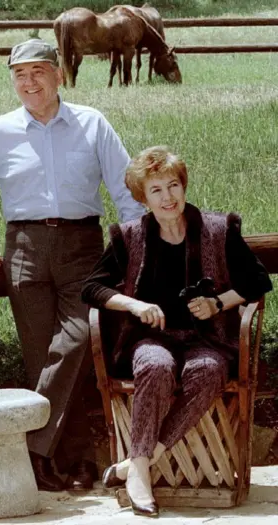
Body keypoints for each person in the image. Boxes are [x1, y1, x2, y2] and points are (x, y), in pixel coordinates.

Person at [0, 38, 145, 491]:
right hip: (24, 247)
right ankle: (74, 462)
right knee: (43, 357)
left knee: (75, 342)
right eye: (20, 74)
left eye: (39, 71)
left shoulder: (91, 123)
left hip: (83, 245)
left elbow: (126, 192)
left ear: (59, 74)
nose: (30, 81)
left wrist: (134, 250)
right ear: (12, 81)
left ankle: (33, 448)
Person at [81, 146, 272, 516]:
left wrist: (219, 303)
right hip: (149, 338)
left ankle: (136, 464)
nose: (167, 197)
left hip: (208, 339)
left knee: (209, 370)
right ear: (143, 198)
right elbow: (91, 288)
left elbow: (258, 280)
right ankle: (140, 470)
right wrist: (135, 305)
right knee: (154, 364)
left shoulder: (218, 229)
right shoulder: (129, 235)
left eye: (173, 185)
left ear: (183, 186)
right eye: (156, 190)